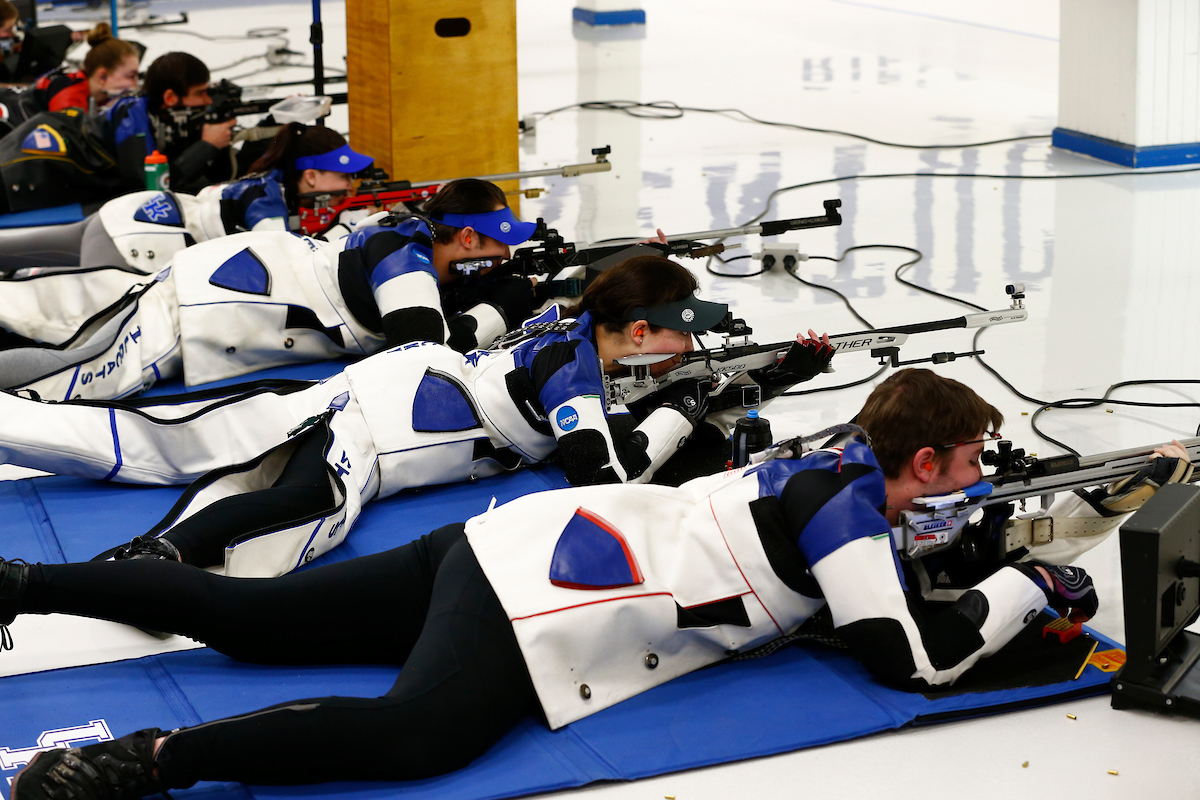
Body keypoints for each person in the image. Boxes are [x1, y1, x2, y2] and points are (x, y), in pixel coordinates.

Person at [3, 368, 1189, 799]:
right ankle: (148, 763)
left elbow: (925, 550)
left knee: (258, 620)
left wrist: (1076, 518)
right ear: (922, 460)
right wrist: (1033, 586)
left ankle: (19, 581)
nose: (976, 478)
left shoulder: (837, 462)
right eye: (969, 461)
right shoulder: (845, 516)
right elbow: (910, 658)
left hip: (509, 540)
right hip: (541, 603)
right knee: (417, 735)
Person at [0, 255, 827, 576]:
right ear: (640, 332)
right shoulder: (574, 372)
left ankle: (153, 550)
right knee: (300, 504)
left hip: (384, 389)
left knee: (160, 441)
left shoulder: (580, 333)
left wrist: (774, 377)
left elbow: (641, 398)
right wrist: (684, 408)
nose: (692, 348)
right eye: (684, 333)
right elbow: (608, 476)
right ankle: (153, 561)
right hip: (382, 424)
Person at [0, 177, 544, 400]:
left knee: (35, 314)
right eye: (501, 245)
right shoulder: (406, 257)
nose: (504, 258)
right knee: (64, 376)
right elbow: (423, 355)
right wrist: (504, 306)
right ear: (467, 237)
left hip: (212, 284)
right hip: (202, 307)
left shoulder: (403, 231)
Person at [104, 51, 236, 198]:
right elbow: (146, 187)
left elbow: (220, 177)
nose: (208, 101)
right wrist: (207, 146)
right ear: (170, 98)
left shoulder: (179, 118)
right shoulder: (132, 112)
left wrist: (220, 140)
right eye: (199, 94)